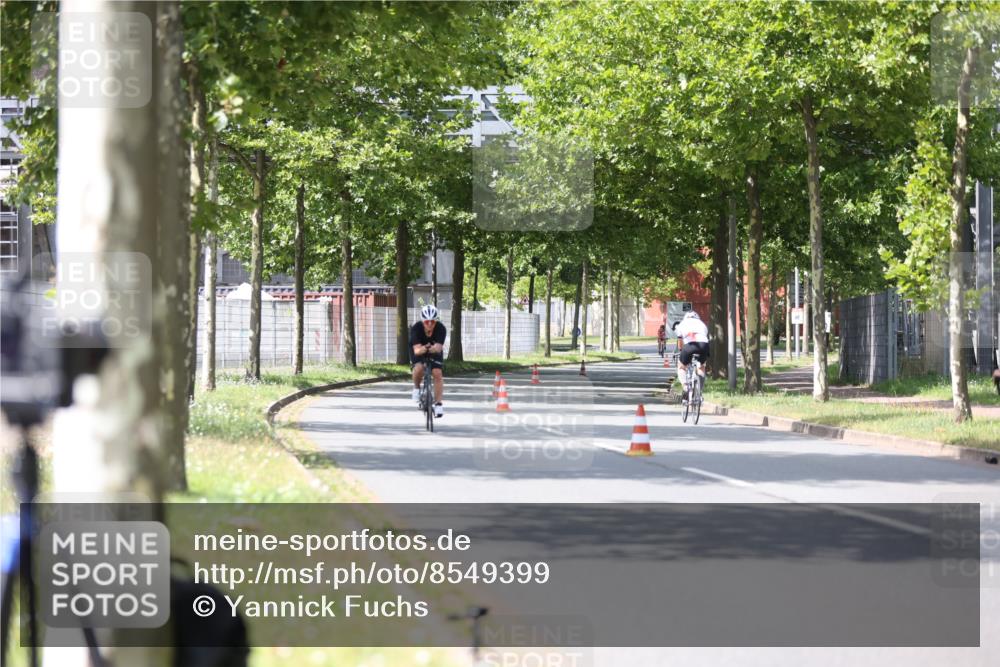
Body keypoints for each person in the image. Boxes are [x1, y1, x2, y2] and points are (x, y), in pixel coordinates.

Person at [410, 304, 446, 417]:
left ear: (436, 321)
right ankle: (416, 388)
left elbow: (438, 348)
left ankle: (439, 404)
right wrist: (425, 348)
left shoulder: (441, 328)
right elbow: (417, 351)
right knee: (419, 368)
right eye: (427, 322)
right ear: (423, 321)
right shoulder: (416, 328)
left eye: (432, 321)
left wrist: (432, 348)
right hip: (419, 349)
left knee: (437, 373)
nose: (430, 324)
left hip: (434, 351)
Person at [675, 311, 710, 404]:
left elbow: (680, 342)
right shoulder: (702, 324)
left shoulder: (681, 324)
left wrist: (681, 351)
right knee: (701, 367)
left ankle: (686, 387)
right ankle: (699, 392)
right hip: (704, 345)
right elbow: (705, 337)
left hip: (689, 346)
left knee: (681, 367)